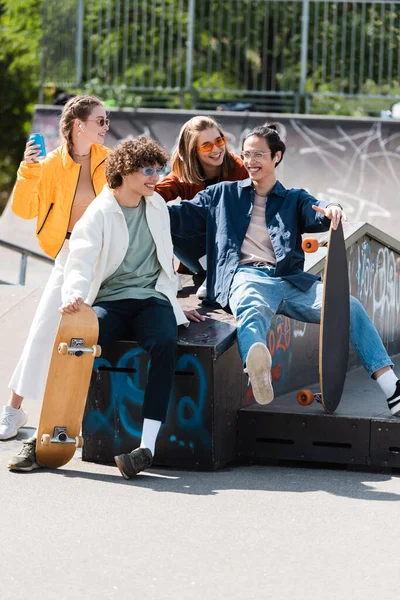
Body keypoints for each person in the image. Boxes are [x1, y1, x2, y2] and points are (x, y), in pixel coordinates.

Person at [167, 123, 400, 414]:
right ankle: (257, 371)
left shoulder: (294, 199)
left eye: (259, 155)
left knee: (348, 307)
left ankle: (392, 389)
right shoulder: (222, 195)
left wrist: (332, 208)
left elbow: (319, 208)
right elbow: (179, 216)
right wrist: (140, 202)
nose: (251, 161)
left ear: (276, 157)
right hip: (247, 277)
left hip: (290, 281)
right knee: (250, 309)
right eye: (246, 154)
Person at [8, 137, 204, 476]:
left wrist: (173, 304)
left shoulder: (156, 206)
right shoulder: (98, 213)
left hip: (151, 299)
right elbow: (80, 263)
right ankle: (45, 435)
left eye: (159, 169)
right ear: (126, 172)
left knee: (165, 343)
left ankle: (147, 447)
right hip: (111, 300)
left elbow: (165, 263)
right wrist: (75, 296)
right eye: (147, 170)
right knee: (74, 346)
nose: (155, 177)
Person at [0, 95, 110, 441]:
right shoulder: (48, 165)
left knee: (98, 332)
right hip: (69, 251)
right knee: (46, 325)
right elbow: (23, 209)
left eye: (106, 121)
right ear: (79, 125)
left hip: (108, 254)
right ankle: (14, 409)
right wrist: (28, 170)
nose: (106, 127)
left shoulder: (109, 161)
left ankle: (84, 417)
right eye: (100, 121)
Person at [155, 115, 248, 297]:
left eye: (219, 140)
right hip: (197, 256)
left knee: (225, 207)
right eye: (206, 145)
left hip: (233, 252)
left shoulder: (240, 169)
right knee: (157, 212)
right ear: (193, 151)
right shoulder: (183, 173)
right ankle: (165, 275)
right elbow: (155, 195)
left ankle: (217, 273)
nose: (216, 149)